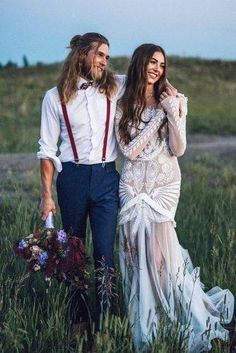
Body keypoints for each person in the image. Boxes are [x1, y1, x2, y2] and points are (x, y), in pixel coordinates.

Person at [115, 43, 234, 352]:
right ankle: (145, 320)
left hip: (164, 184)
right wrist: (157, 117)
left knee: (160, 258)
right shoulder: (123, 100)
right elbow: (128, 150)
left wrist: (173, 113)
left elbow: (179, 149)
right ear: (140, 63)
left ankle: (179, 316)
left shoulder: (174, 100)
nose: (157, 68)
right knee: (133, 253)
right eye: (152, 62)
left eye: (162, 64)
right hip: (131, 185)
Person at [37, 32, 126, 330]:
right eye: (100, 54)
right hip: (71, 178)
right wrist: (46, 194)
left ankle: (105, 322)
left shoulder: (116, 87)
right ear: (82, 54)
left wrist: (172, 92)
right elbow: (47, 150)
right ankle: (78, 319)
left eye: (107, 57)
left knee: (104, 251)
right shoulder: (54, 97)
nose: (105, 61)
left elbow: (145, 77)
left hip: (106, 178)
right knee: (74, 252)